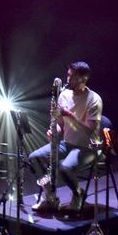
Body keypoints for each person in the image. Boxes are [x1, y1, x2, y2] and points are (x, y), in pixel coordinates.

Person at [29, 61, 103, 213]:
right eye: (68, 75)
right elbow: (61, 125)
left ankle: (78, 194)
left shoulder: (94, 99)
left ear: (84, 78)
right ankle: (50, 196)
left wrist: (69, 115)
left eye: (73, 77)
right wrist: (54, 131)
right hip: (67, 143)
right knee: (35, 157)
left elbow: (89, 131)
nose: (68, 80)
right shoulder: (64, 95)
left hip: (88, 147)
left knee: (65, 168)